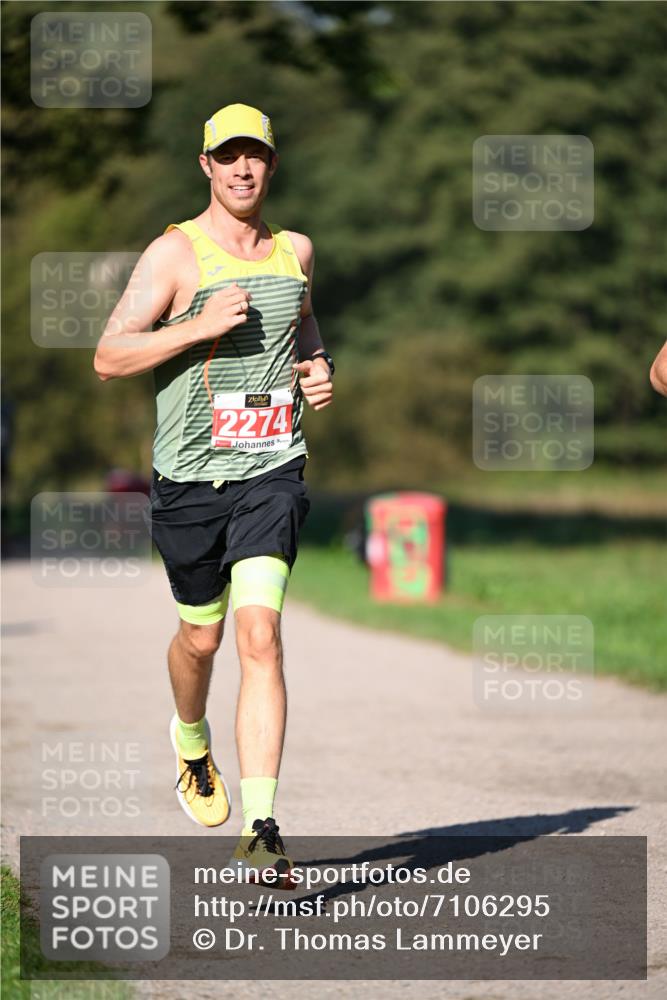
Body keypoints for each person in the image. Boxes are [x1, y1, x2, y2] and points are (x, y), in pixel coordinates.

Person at [94, 103, 334, 882]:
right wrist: (194, 328)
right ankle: (190, 740)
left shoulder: (294, 250)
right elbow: (109, 356)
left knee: (259, 636)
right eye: (226, 156)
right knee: (201, 639)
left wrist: (317, 369)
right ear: (205, 166)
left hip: (272, 470)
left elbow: (304, 328)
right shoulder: (174, 255)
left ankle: (263, 825)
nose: (241, 169)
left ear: (271, 163)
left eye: (254, 156)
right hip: (190, 482)